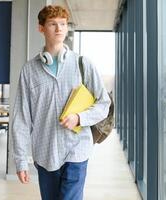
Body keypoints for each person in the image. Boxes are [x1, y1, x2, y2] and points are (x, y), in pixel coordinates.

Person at [12, 5, 111, 200]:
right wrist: (21, 160)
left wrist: (79, 118)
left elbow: (103, 104)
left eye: (63, 24)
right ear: (41, 28)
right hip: (45, 153)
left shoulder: (83, 64)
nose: (59, 29)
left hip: (77, 150)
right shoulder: (30, 71)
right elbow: (21, 119)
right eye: (53, 24)